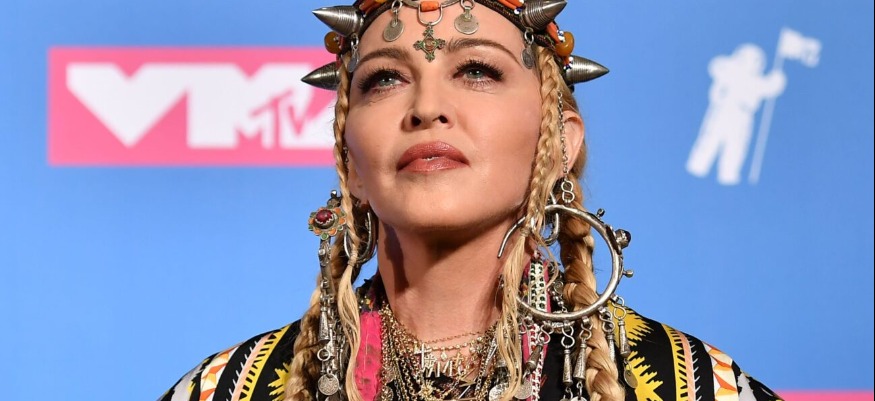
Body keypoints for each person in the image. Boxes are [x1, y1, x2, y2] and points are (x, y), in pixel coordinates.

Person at [158, 1, 783, 400]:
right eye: (385, 78)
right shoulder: (225, 390)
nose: (427, 107)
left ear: (558, 144)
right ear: (349, 161)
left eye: (477, 71)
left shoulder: (694, 386)